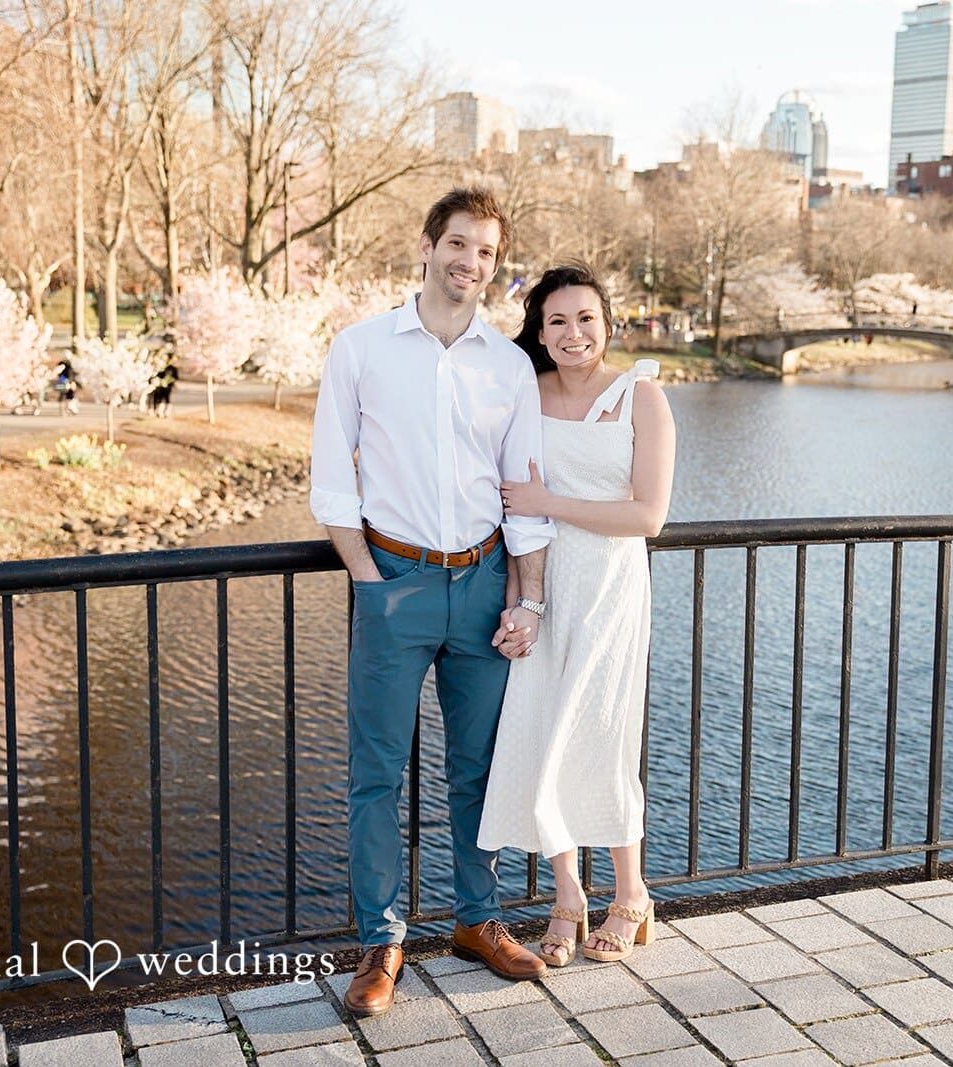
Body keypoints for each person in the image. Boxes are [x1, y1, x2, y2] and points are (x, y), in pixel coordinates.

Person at [308, 187, 555, 1018]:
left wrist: (529, 599)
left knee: (478, 768)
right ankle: (381, 942)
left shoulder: (507, 365)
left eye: (485, 252)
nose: (469, 262)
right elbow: (331, 476)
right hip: (394, 582)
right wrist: (366, 579)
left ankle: (477, 920)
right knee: (376, 774)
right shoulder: (361, 348)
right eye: (457, 244)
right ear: (426, 245)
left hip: (483, 584)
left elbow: (523, 492)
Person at [478, 264, 676, 967]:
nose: (573, 332)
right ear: (538, 331)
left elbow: (647, 516)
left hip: (610, 590)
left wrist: (549, 502)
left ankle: (632, 894)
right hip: (543, 589)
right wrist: (519, 601)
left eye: (586, 318)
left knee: (603, 734)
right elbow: (510, 510)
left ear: (607, 324)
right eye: (557, 320)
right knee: (542, 732)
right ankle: (568, 896)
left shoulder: (641, 396)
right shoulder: (524, 395)